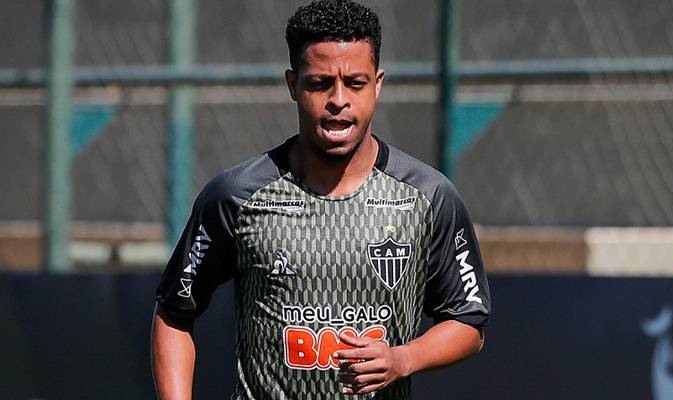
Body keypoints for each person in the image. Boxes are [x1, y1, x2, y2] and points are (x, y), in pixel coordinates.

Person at [151, 0, 491, 398]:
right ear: (293, 85)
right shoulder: (235, 195)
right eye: (319, 83)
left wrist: (403, 358)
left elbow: (468, 322)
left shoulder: (428, 196)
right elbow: (173, 313)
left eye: (356, 83)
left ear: (378, 84)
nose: (338, 99)